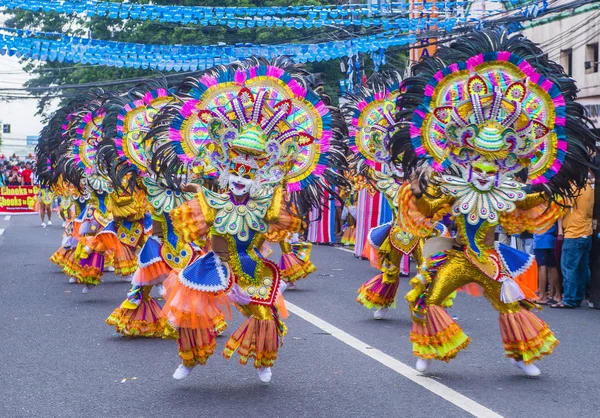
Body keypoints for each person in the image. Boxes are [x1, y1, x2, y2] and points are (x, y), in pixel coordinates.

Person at [551, 175, 595, 309]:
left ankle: (569, 299)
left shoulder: (570, 190)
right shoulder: (589, 188)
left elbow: (558, 208)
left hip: (573, 233)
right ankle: (578, 296)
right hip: (586, 233)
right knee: (581, 268)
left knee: (569, 268)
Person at [534, 222, 561, 304]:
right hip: (551, 239)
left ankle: (542, 295)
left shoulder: (536, 209)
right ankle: (557, 294)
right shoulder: (554, 209)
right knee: (552, 267)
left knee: (541, 267)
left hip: (540, 239)